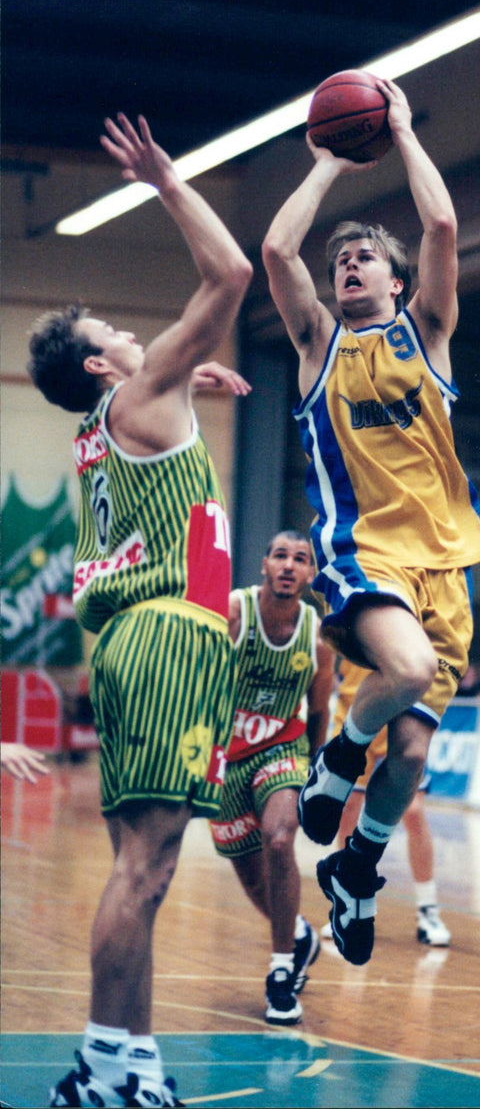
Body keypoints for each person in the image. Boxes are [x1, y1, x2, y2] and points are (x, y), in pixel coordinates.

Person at [27, 113, 253, 1108]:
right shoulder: (137, 390)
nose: (128, 331)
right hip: (168, 630)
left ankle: (131, 1064)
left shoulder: (105, 426)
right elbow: (232, 275)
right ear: (94, 366)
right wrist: (167, 179)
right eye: (110, 334)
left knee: (150, 867)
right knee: (142, 866)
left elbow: (159, 404)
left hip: (138, 636)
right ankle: (99, 1064)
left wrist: (184, 382)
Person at [261, 77, 480, 965]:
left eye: (363, 260)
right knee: (406, 669)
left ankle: (358, 865)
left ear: (397, 282)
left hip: (447, 566)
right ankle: (338, 760)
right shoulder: (319, 341)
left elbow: (442, 229)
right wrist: (323, 164)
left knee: (417, 761)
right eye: (341, 261)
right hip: (362, 551)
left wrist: (401, 130)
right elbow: (278, 251)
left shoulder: (427, 331)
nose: (347, 265)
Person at [209, 531, 335, 1025]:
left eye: (300, 559)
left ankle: (281, 971)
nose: (288, 565)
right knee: (254, 881)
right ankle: (299, 937)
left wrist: (320, 774)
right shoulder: (234, 613)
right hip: (226, 756)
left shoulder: (318, 635)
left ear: (309, 575)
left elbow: (320, 710)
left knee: (279, 840)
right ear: (263, 564)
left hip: (284, 750)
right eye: (280, 555)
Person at [321, 658, 452, 948]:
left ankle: (428, 909)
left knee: (414, 811)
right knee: (348, 810)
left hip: (405, 709)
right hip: (356, 706)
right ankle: (349, 901)